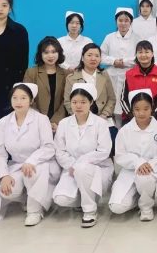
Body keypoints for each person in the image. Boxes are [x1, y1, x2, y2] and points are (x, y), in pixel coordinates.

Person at [0, 83, 60, 226]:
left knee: (31, 173)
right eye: (15, 98)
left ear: (31, 100)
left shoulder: (41, 119)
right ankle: (26, 198)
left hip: (40, 163)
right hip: (17, 164)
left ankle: (35, 211)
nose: (18, 102)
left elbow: (49, 147)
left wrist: (32, 160)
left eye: (23, 98)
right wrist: (3, 175)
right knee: (7, 191)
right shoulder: (3, 122)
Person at [53, 83, 113, 228]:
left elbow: (104, 150)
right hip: (71, 169)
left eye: (83, 102)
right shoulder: (64, 123)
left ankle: (90, 210)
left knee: (82, 168)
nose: (78, 106)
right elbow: (59, 151)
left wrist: (80, 164)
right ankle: (84, 198)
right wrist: (73, 165)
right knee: (61, 199)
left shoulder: (100, 123)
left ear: (91, 102)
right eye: (74, 102)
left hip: (98, 168)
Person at [109, 89, 157, 221]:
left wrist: (150, 165)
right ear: (132, 110)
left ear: (151, 108)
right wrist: (138, 162)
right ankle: (138, 198)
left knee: (144, 178)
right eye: (137, 109)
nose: (141, 113)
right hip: (130, 171)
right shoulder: (124, 131)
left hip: (152, 170)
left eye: (146, 109)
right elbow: (120, 155)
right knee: (116, 207)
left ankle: (146, 207)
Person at [101, 8, 141, 129]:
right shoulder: (109, 37)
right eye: (120, 20)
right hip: (111, 76)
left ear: (131, 22)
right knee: (111, 107)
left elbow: (140, 57)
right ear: (116, 21)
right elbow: (101, 56)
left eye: (126, 20)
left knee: (128, 108)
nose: (123, 23)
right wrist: (114, 61)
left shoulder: (137, 38)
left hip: (130, 77)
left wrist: (124, 62)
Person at [23, 36, 68, 131]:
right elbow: (27, 98)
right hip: (35, 122)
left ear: (59, 53)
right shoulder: (31, 73)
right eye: (46, 52)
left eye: (54, 52)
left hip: (59, 123)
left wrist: (55, 121)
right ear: (40, 54)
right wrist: (42, 120)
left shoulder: (66, 74)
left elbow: (66, 100)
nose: (50, 56)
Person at [64, 43, 116, 122]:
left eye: (97, 56)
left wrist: (104, 114)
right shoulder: (71, 78)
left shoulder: (104, 75)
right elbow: (67, 101)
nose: (93, 59)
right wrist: (81, 117)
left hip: (102, 118)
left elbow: (111, 99)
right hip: (79, 119)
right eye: (89, 55)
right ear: (82, 57)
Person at [120, 41, 157, 124]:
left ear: (152, 54)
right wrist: (133, 115)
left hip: (155, 117)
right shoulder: (129, 74)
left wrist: (150, 116)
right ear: (136, 55)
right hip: (131, 117)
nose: (143, 55)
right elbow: (123, 99)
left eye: (146, 52)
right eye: (140, 52)